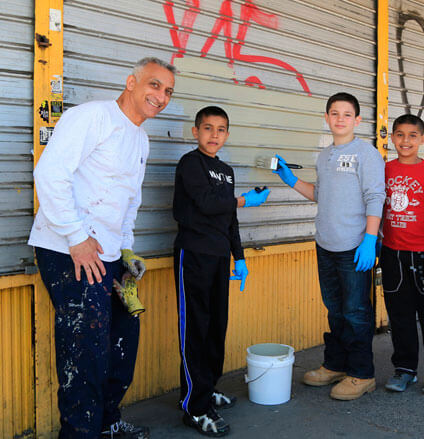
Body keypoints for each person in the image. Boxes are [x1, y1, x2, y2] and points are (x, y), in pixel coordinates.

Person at [28, 57, 176, 438]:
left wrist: (125, 252)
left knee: (122, 342)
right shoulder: (93, 117)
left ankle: (108, 423)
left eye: (168, 91)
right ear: (131, 82)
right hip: (67, 250)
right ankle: (80, 434)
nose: (161, 96)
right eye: (154, 85)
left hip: (108, 257)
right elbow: (50, 173)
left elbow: (129, 201)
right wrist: (77, 238)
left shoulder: (140, 137)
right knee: (86, 352)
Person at [274, 92, 385, 400]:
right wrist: (290, 179)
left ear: (357, 120)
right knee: (335, 310)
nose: (340, 119)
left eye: (346, 114)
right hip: (326, 245)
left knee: (356, 311)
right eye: (334, 113)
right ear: (326, 118)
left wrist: (370, 239)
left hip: (355, 246)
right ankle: (336, 364)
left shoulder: (367, 153)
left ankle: (362, 373)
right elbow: (320, 194)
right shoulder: (324, 157)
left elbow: (376, 196)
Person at [173, 106, 270, 436]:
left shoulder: (226, 171)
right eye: (208, 128)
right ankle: (194, 407)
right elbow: (207, 204)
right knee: (195, 329)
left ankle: (206, 388)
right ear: (195, 131)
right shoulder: (190, 164)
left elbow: (228, 218)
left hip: (218, 259)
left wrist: (238, 256)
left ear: (227, 135)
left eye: (221, 129)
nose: (214, 135)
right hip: (194, 254)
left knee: (216, 327)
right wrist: (242, 200)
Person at [380, 114, 424, 395]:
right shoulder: (384, 170)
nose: (405, 140)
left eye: (412, 135)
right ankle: (405, 370)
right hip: (393, 255)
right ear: (392, 138)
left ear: (422, 139)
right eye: (399, 134)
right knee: (400, 316)